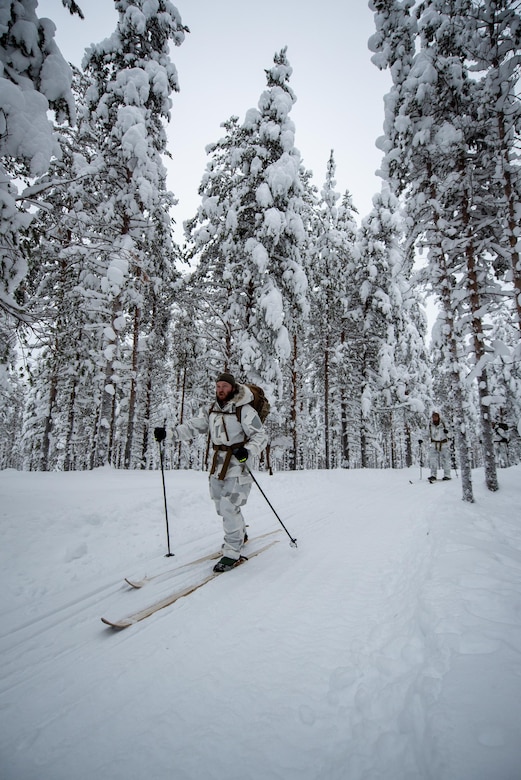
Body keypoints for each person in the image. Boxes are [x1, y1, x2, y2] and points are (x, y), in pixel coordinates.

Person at [154, 372, 268, 572]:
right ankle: (240, 533)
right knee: (219, 505)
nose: (221, 390)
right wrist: (169, 434)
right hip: (217, 464)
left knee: (228, 506)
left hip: (238, 464)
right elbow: (192, 427)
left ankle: (232, 552)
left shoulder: (244, 409)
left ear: (232, 388)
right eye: (218, 386)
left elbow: (260, 435)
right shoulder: (212, 410)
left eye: (224, 386)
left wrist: (248, 451)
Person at [425, 411, 451, 483]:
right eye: (433, 417)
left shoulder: (444, 424)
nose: (434, 418)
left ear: (438, 417)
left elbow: (451, 434)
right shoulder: (430, 424)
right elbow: (427, 433)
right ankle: (433, 475)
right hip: (434, 444)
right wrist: (421, 439)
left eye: (436, 416)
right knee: (432, 460)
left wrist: (447, 433)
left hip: (444, 444)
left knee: (445, 460)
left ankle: (447, 475)